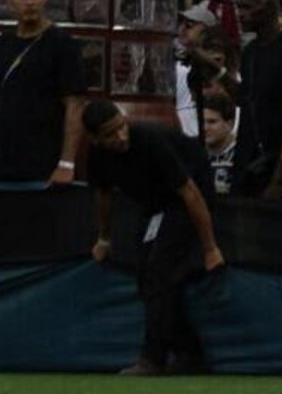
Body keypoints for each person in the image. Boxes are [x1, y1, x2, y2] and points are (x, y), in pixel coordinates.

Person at [82, 96, 226, 377]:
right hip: (156, 203)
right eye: (111, 134)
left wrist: (210, 248)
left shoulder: (149, 140)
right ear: (95, 139)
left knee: (160, 272)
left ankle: (152, 359)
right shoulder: (98, 156)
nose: (121, 137)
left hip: (187, 195)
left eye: (122, 127)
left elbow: (190, 193)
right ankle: (190, 353)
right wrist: (104, 238)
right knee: (147, 278)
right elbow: (103, 195)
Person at [0, 0, 91, 190]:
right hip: (3, 168)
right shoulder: (3, 44)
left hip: (45, 171)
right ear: (10, 1)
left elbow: (75, 106)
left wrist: (66, 163)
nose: (30, 1)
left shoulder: (62, 44)